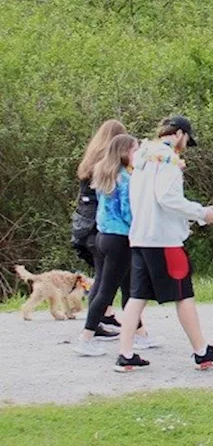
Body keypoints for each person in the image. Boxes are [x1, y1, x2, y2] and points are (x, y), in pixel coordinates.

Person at [115, 115, 213, 372]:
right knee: (184, 294)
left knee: (136, 296)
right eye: (187, 140)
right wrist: (202, 213)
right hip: (165, 240)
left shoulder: (142, 156)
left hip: (141, 236)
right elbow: (167, 198)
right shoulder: (168, 160)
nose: (185, 146)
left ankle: (125, 353)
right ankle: (202, 351)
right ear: (179, 133)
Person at [74, 134, 158, 357]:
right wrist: (145, 228)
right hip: (120, 239)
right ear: (125, 152)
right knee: (106, 291)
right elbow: (128, 213)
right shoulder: (125, 180)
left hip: (103, 236)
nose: (138, 155)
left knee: (130, 288)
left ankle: (140, 335)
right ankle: (86, 337)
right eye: (135, 150)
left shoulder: (106, 174)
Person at [73, 119, 128, 333]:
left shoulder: (89, 161)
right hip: (99, 224)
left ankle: (103, 316)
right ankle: (93, 325)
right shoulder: (106, 164)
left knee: (102, 275)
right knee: (105, 279)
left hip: (84, 223)